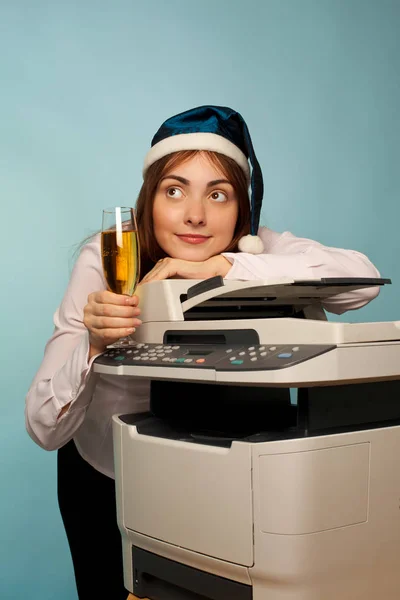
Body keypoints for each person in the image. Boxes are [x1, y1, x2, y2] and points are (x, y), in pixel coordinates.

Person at [25, 105, 381, 599]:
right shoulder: (110, 257)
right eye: (175, 191)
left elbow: (361, 280)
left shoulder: (258, 247)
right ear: (149, 200)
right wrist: (94, 342)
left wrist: (222, 268)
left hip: (221, 479)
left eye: (218, 194)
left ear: (243, 209)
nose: (196, 214)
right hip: (106, 474)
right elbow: (43, 425)